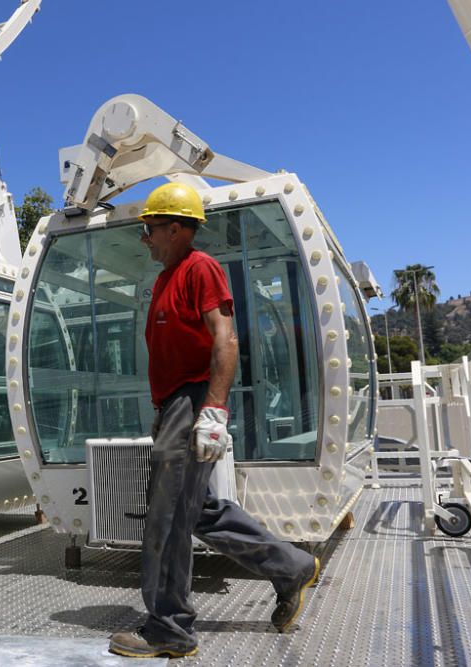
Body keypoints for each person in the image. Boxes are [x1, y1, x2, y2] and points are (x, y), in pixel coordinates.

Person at [108, 183, 320, 659]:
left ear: (177, 229)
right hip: (174, 407)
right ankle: (290, 567)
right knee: (196, 510)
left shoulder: (199, 268)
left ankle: (169, 628)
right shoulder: (166, 277)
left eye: (151, 229)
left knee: (166, 517)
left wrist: (213, 409)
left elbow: (225, 339)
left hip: (192, 400)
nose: (146, 239)